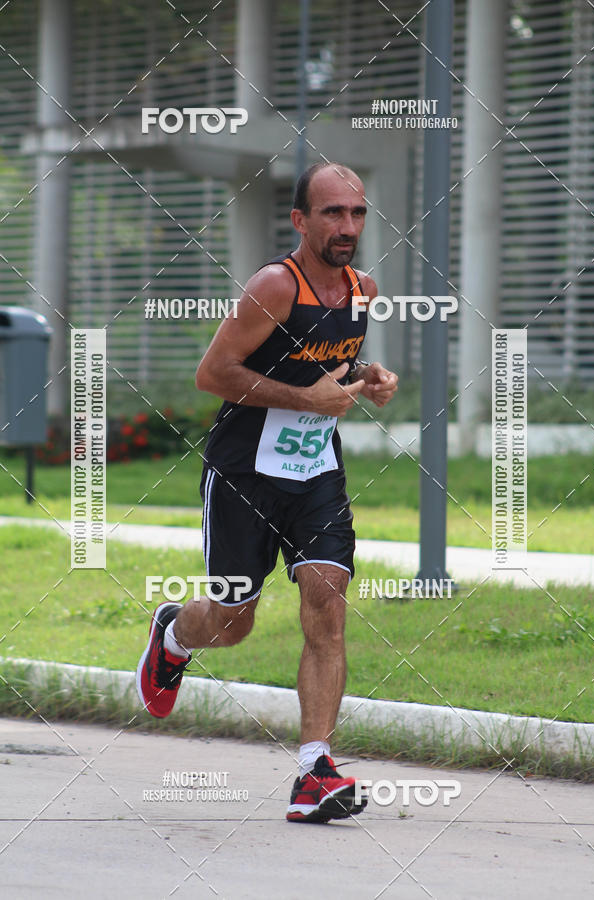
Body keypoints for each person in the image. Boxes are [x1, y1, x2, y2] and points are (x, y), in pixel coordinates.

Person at [137, 161, 398, 823]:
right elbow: (213, 373)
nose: (348, 226)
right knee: (233, 621)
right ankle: (174, 634)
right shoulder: (275, 286)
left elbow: (325, 358)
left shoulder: (363, 290)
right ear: (300, 220)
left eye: (357, 213)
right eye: (333, 213)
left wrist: (370, 375)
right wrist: (305, 399)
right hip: (244, 474)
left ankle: (315, 770)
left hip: (315, 473)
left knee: (327, 602)